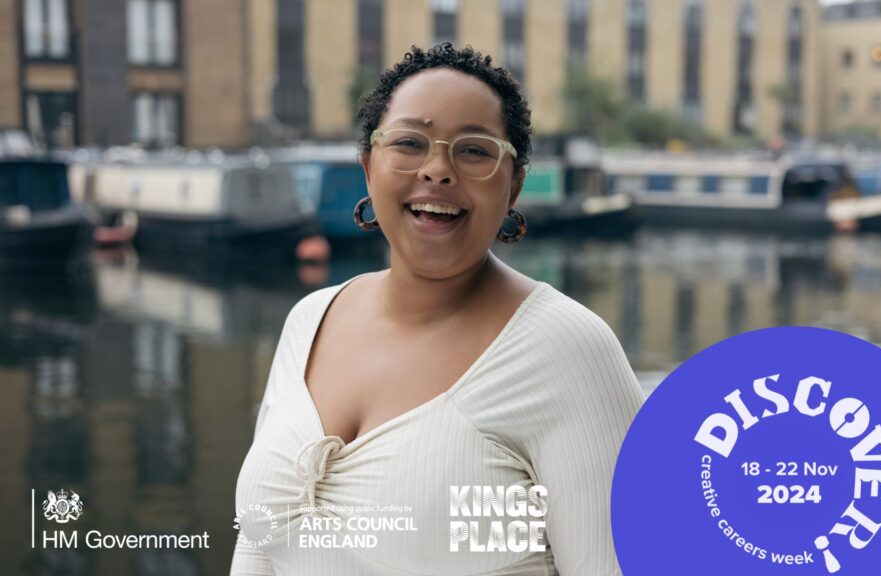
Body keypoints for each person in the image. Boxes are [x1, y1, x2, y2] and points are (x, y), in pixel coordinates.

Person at [231, 43, 643, 575]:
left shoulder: (569, 349)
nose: (438, 170)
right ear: (368, 168)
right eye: (408, 142)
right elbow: (256, 547)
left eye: (474, 150)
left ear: (513, 186)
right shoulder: (309, 320)